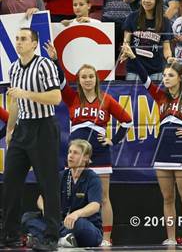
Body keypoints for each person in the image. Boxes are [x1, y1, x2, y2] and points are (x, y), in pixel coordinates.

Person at [120, 44, 182, 245]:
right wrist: (133, 57)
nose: (165, 78)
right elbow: (146, 80)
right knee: (167, 198)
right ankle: (171, 237)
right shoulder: (160, 96)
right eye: (164, 75)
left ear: (180, 78)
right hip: (162, 151)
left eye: (170, 75)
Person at [45, 43, 133, 247]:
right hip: (76, 156)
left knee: (102, 197)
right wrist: (55, 60)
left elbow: (127, 121)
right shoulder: (72, 97)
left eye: (90, 76)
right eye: (83, 77)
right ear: (79, 80)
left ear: (96, 79)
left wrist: (114, 139)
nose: (87, 80)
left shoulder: (107, 100)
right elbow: (59, 82)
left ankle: (106, 238)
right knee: (71, 198)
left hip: (100, 154)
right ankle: (69, 233)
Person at [0, 28, 61, 250]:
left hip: (44, 127)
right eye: (17, 39)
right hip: (22, 128)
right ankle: (10, 234)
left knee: (48, 183)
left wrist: (26, 93)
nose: (18, 42)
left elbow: (56, 97)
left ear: (34, 44)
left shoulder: (44, 64)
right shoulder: (14, 68)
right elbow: (14, 102)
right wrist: (10, 129)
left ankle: (51, 236)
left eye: (23, 39)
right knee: (11, 182)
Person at [22, 139, 103, 248]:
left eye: (75, 153)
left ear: (86, 157)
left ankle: (48, 239)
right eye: (69, 152)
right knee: (27, 217)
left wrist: (77, 214)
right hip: (61, 223)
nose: (70, 156)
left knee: (79, 224)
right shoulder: (61, 176)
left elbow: (95, 206)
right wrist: (46, 208)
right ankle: (62, 240)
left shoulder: (92, 178)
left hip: (85, 225)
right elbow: (41, 198)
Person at [123, 0, 172, 81]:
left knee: (155, 96)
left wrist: (169, 58)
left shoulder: (164, 21)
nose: (147, 0)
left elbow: (166, 48)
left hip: (155, 70)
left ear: (157, 1)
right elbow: (126, 42)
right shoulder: (132, 17)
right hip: (135, 69)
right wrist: (125, 51)